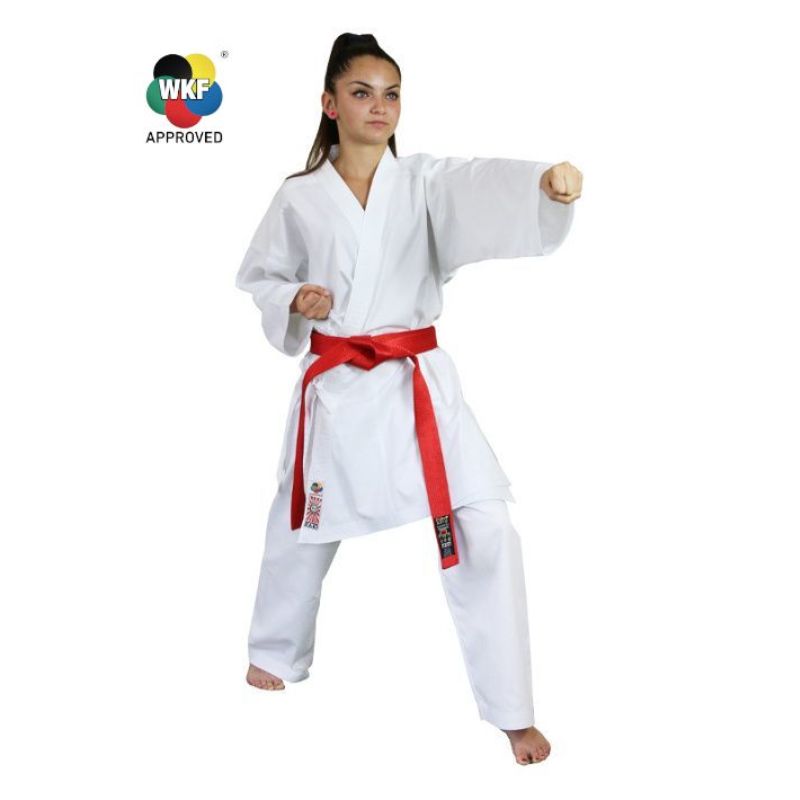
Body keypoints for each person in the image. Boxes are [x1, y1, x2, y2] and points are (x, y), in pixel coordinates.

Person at [236, 32, 582, 766]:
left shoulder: (422, 183)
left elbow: (481, 185)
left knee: (485, 522)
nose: (380, 106)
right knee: (303, 521)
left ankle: (512, 710)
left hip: (418, 382)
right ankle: (274, 647)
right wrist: (296, 298)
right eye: (362, 93)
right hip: (340, 385)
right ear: (330, 104)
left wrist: (542, 187)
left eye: (391, 94)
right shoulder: (299, 196)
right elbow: (261, 275)